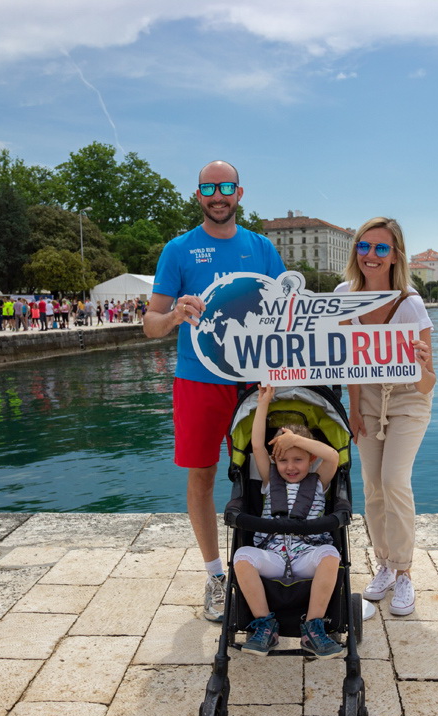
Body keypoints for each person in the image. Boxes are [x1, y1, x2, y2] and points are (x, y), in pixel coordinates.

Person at [144, 160, 285, 622]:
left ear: (240, 193)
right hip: (198, 380)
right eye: (209, 188)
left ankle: (262, 565)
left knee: (265, 473)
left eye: (226, 187)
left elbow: (287, 314)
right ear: (199, 195)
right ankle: (215, 577)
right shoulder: (178, 250)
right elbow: (151, 325)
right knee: (202, 477)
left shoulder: (262, 248)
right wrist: (174, 316)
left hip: (254, 383)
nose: (218, 195)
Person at [335, 217, 436, 615]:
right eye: (364, 246)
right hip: (367, 400)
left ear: (395, 255)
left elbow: (429, 383)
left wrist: (425, 367)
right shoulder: (344, 294)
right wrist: (355, 409)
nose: (371, 255)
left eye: (380, 248)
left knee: (395, 480)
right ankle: (384, 565)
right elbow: (347, 361)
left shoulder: (410, 303)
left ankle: (405, 571)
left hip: (409, 399)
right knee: (372, 485)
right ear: (356, 251)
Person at [233, 386, 343, 658]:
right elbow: (257, 444)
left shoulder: (319, 483)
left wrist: (297, 440)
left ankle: (313, 628)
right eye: (283, 460)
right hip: (274, 557)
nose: (290, 467)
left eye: (298, 459)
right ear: (274, 461)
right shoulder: (270, 482)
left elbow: (334, 456)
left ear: (310, 459)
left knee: (331, 555)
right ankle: (265, 624)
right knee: (242, 556)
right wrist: (264, 403)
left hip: (307, 555)